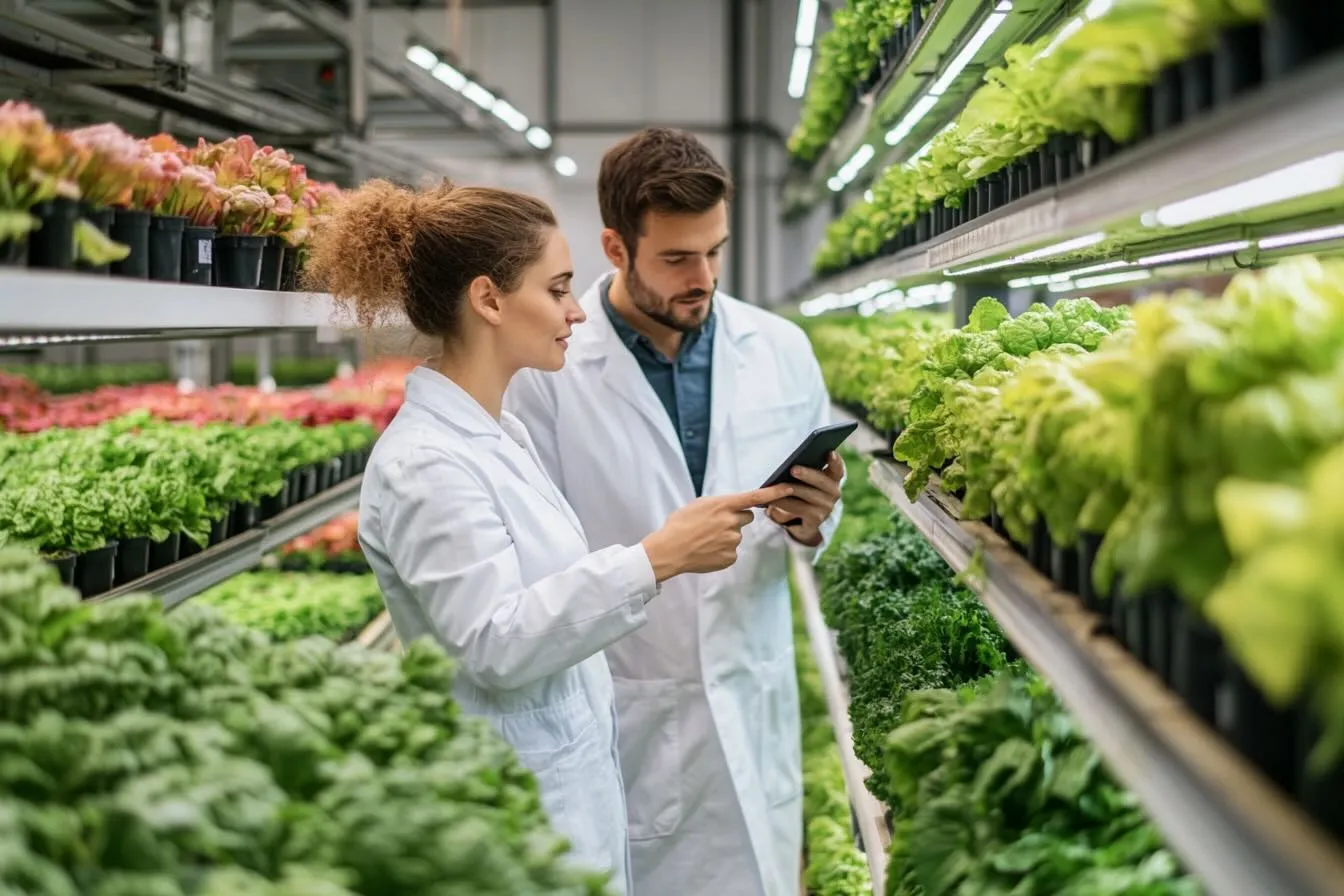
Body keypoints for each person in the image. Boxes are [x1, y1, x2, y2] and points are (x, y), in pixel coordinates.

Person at [302, 178, 795, 896]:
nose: (576, 312)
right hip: (513, 816)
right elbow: (495, 640)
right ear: (489, 299)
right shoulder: (426, 466)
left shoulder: (501, 434)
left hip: (559, 802)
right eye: (559, 289)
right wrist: (657, 558)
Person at [504, 129, 844, 896]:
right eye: (678, 259)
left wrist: (814, 519)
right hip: (633, 710)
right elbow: (537, 566)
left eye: (715, 252)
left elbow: (818, 528)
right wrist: (656, 558)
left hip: (753, 696)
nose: (705, 279)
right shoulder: (550, 377)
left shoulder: (782, 348)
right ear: (616, 248)